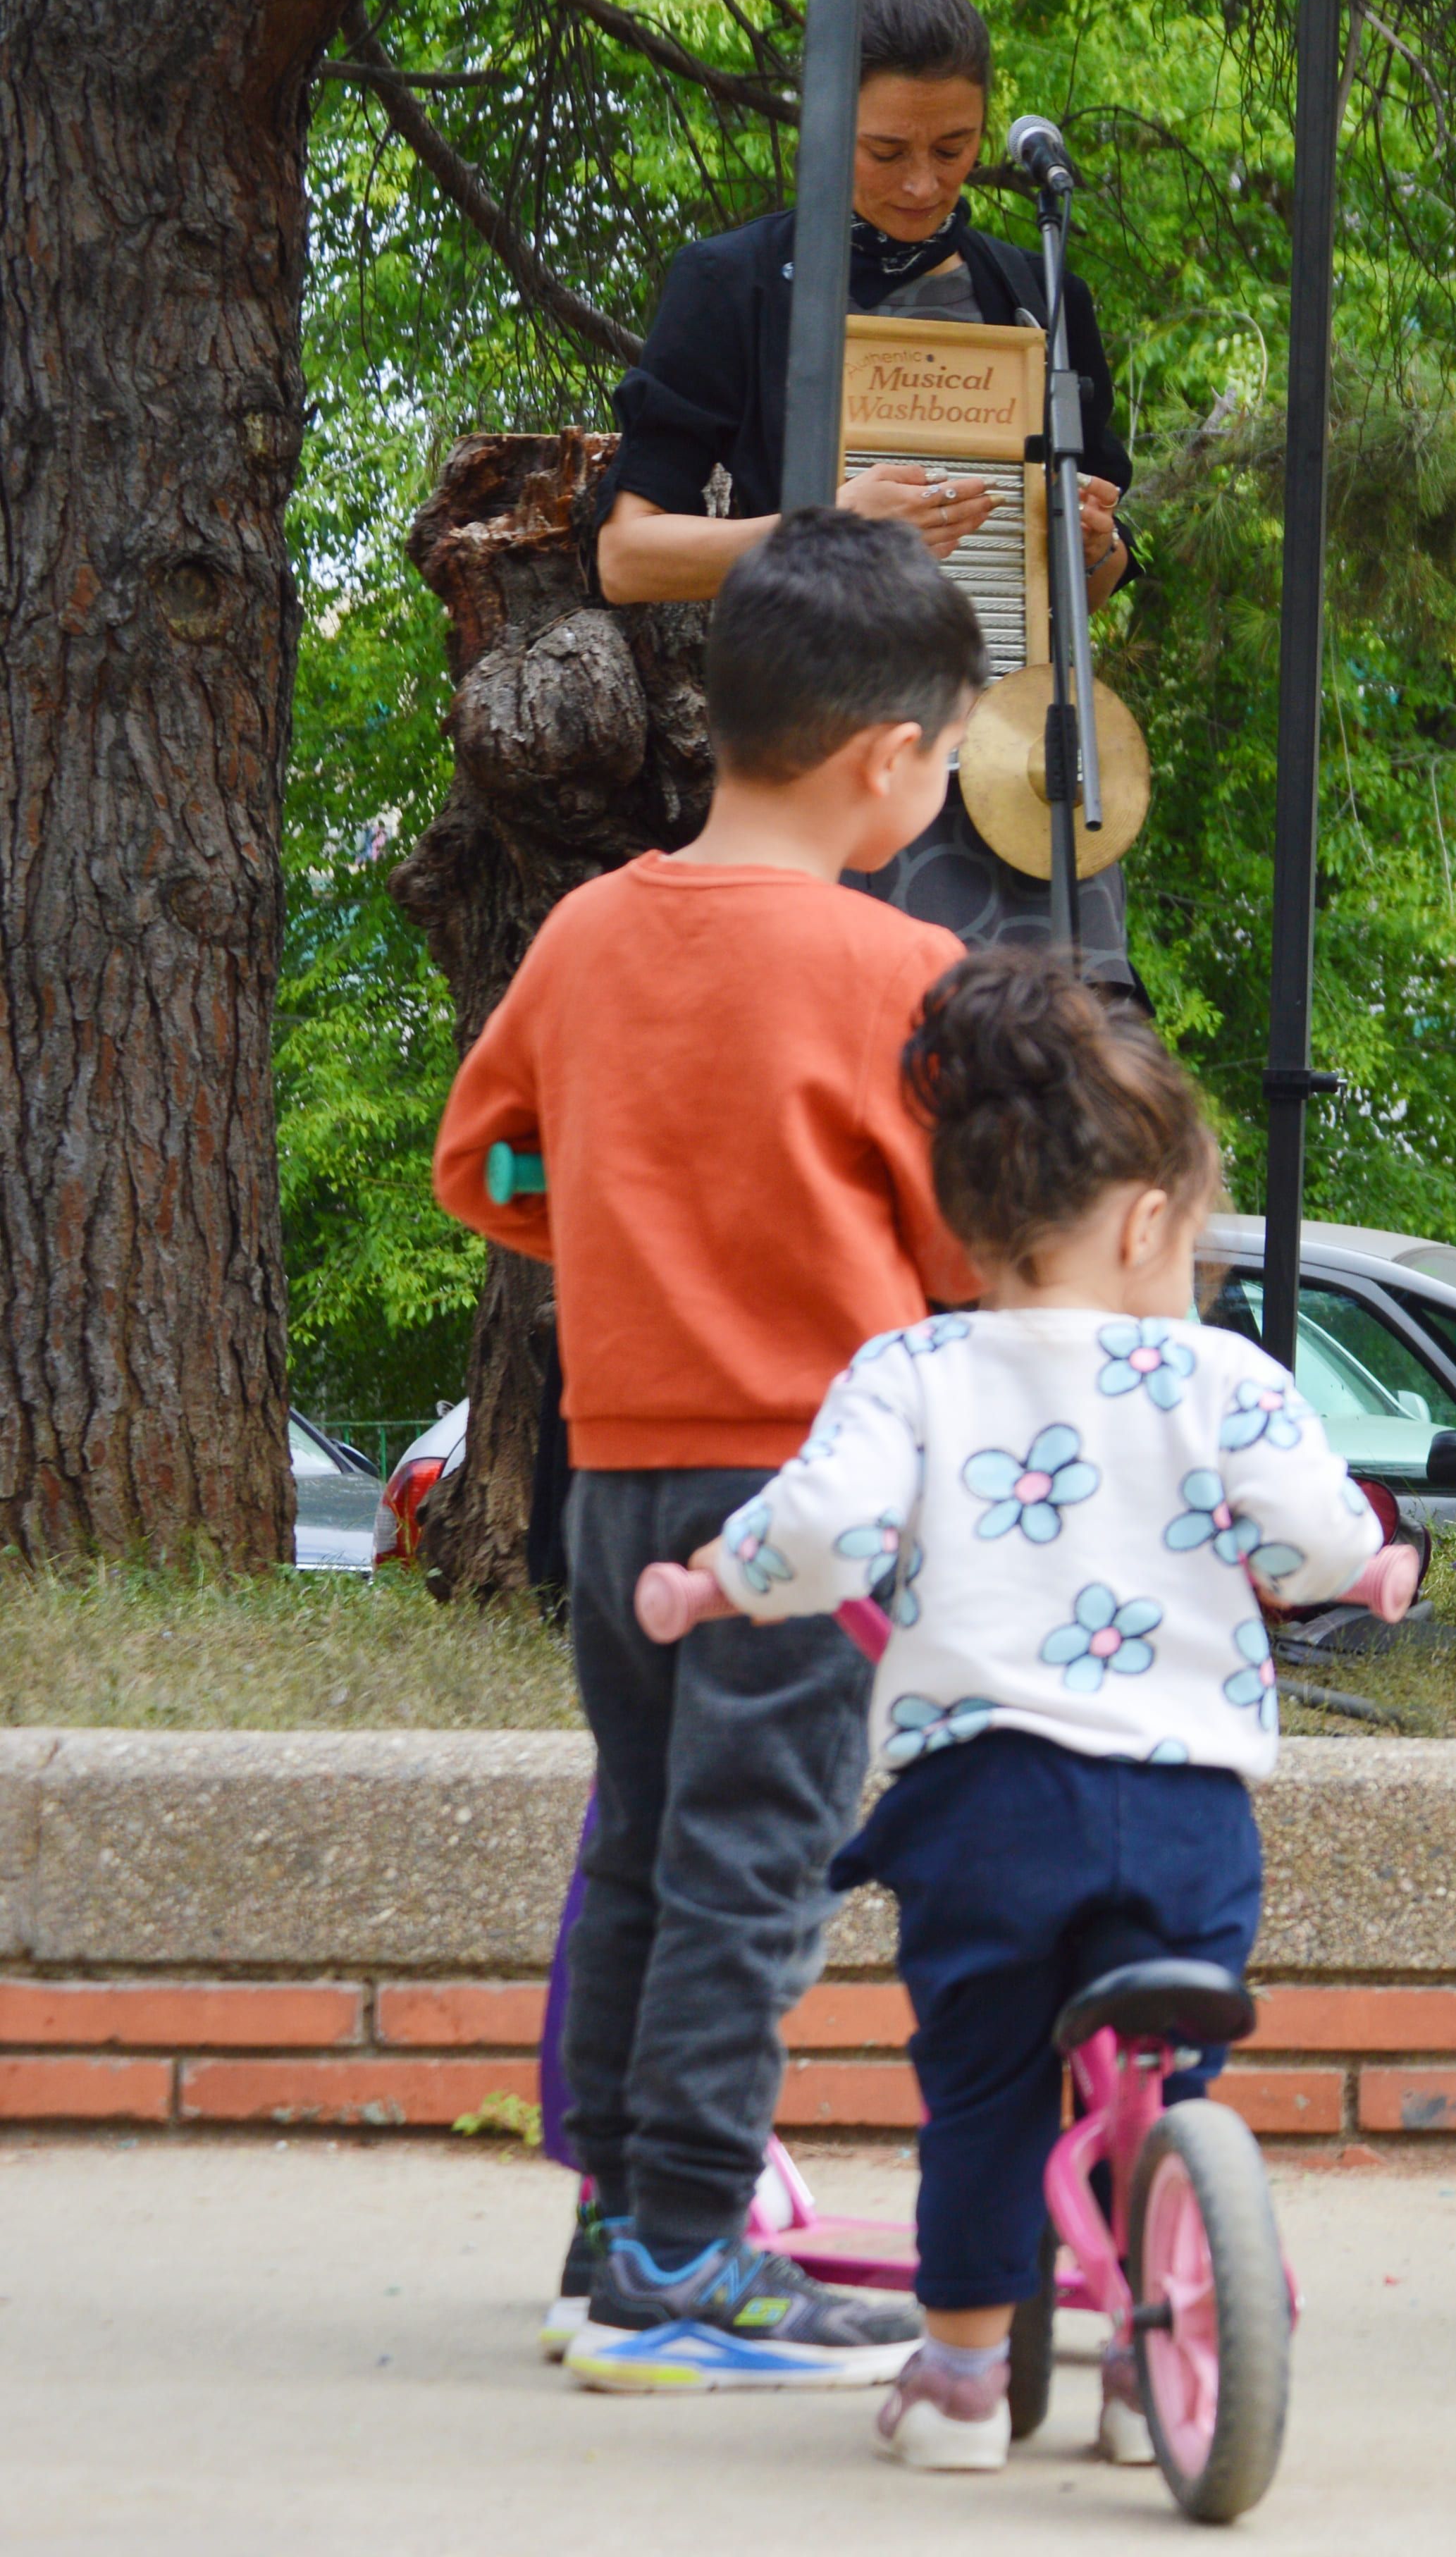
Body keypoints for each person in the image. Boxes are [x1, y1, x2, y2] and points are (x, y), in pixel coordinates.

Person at [630, 949, 1424, 2472]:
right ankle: (1148, 2372)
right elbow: (1312, 1545)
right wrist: (1374, 1566)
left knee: (985, 2083)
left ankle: (963, 2384)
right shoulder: (1227, 1374)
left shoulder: (912, 1369)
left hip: (982, 1806)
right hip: (1186, 1808)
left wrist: (710, 1586)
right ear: (1146, 1219)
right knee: (1161, 2067)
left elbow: (824, 1537)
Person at [435, 510, 989, 2390]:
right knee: (758, 1859)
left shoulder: (591, 932)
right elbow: (951, 1250)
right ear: (888, 761)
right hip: (806, 1495)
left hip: (619, 1473)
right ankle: (683, 2252)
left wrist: (599, 1229)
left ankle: (611, 2233)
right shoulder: (891, 972)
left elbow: (479, 1159)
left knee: (648, 1850)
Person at [589, 0, 1137, 981]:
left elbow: (1095, 581)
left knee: (1021, 1099)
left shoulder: (1037, 294)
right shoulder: (733, 284)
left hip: (1014, 767)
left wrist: (1094, 547)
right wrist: (828, 529)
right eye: (887, 150)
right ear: (824, 121)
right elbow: (625, 556)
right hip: (821, 755)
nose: (926, 182)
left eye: (956, 147)